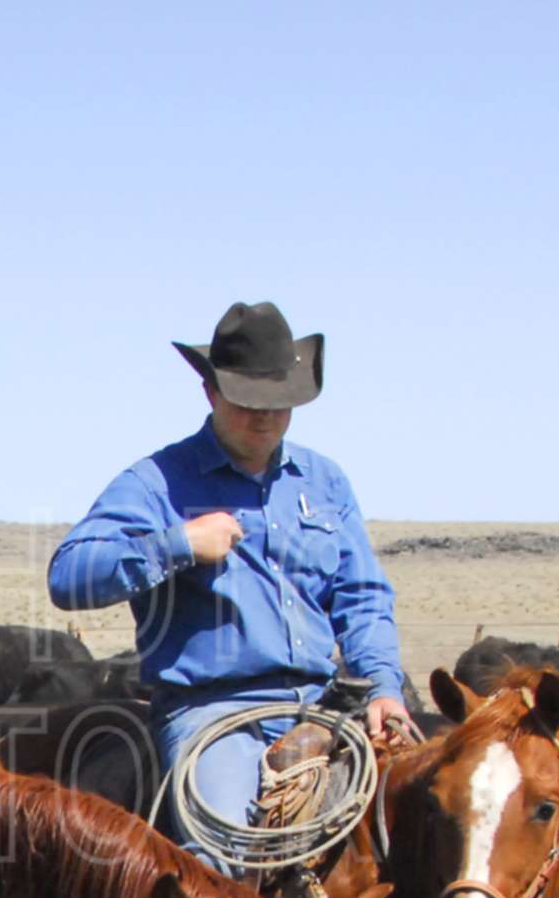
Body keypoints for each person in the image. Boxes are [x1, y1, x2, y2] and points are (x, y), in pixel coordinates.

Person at [46, 301, 416, 862]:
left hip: (324, 702)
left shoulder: (324, 481)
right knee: (219, 858)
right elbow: (69, 577)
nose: (266, 418)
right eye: (249, 404)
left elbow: (361, 597)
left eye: (281, 404)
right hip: (214, 712)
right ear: (212, 393)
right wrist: (177, 544)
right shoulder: (157, 483)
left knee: (432, 830)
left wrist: (384, 686)